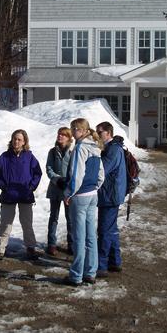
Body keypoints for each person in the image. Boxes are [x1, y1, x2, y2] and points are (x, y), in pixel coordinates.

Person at [63, 118, 104, 286]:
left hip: (80, 197)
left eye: (74, 130)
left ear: (80, 130)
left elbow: (76, 175)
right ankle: (91, 272)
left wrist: (69, 193)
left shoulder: (80, 148)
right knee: (91, 235)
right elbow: (101, 174)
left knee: (79, 236)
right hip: (92, 194)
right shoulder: (95, 147)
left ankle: (76, 275)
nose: (72, 133)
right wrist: (95, 187)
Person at [0, 129, 42, 261]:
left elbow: (38, 173)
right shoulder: (4, 156)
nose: (16, 141)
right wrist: (3, 186)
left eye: (19, 139)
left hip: (25, 194)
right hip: (9, 195)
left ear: (24, 141)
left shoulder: (29, 157)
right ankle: (0, 248)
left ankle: (31, 247)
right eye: (15, 138)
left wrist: (31, 187)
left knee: (27, 223)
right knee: (6, 223)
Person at [96, 122, 127, 278]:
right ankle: (115, 261)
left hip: (110, 195)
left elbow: (103, 169)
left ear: (108, 133)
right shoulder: (113, 147)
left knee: (104, 230)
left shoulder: (113, 149)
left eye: (99, 132)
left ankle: (101, 265)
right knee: (111, 229)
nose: (97, 135)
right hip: (111, 194)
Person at [46, 127, 73, 256]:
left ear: (68, 137)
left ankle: (72, 244)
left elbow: (76, 169)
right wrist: (57, 179)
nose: (60, 136)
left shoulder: (73, 151)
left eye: (63, 135)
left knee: (70, 218)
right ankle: (51, 243)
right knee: (53, 217)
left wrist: (68, 182)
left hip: (68, 189)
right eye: (59, 134)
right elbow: (49, 168)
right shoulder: (52, 151)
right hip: (55, 188)